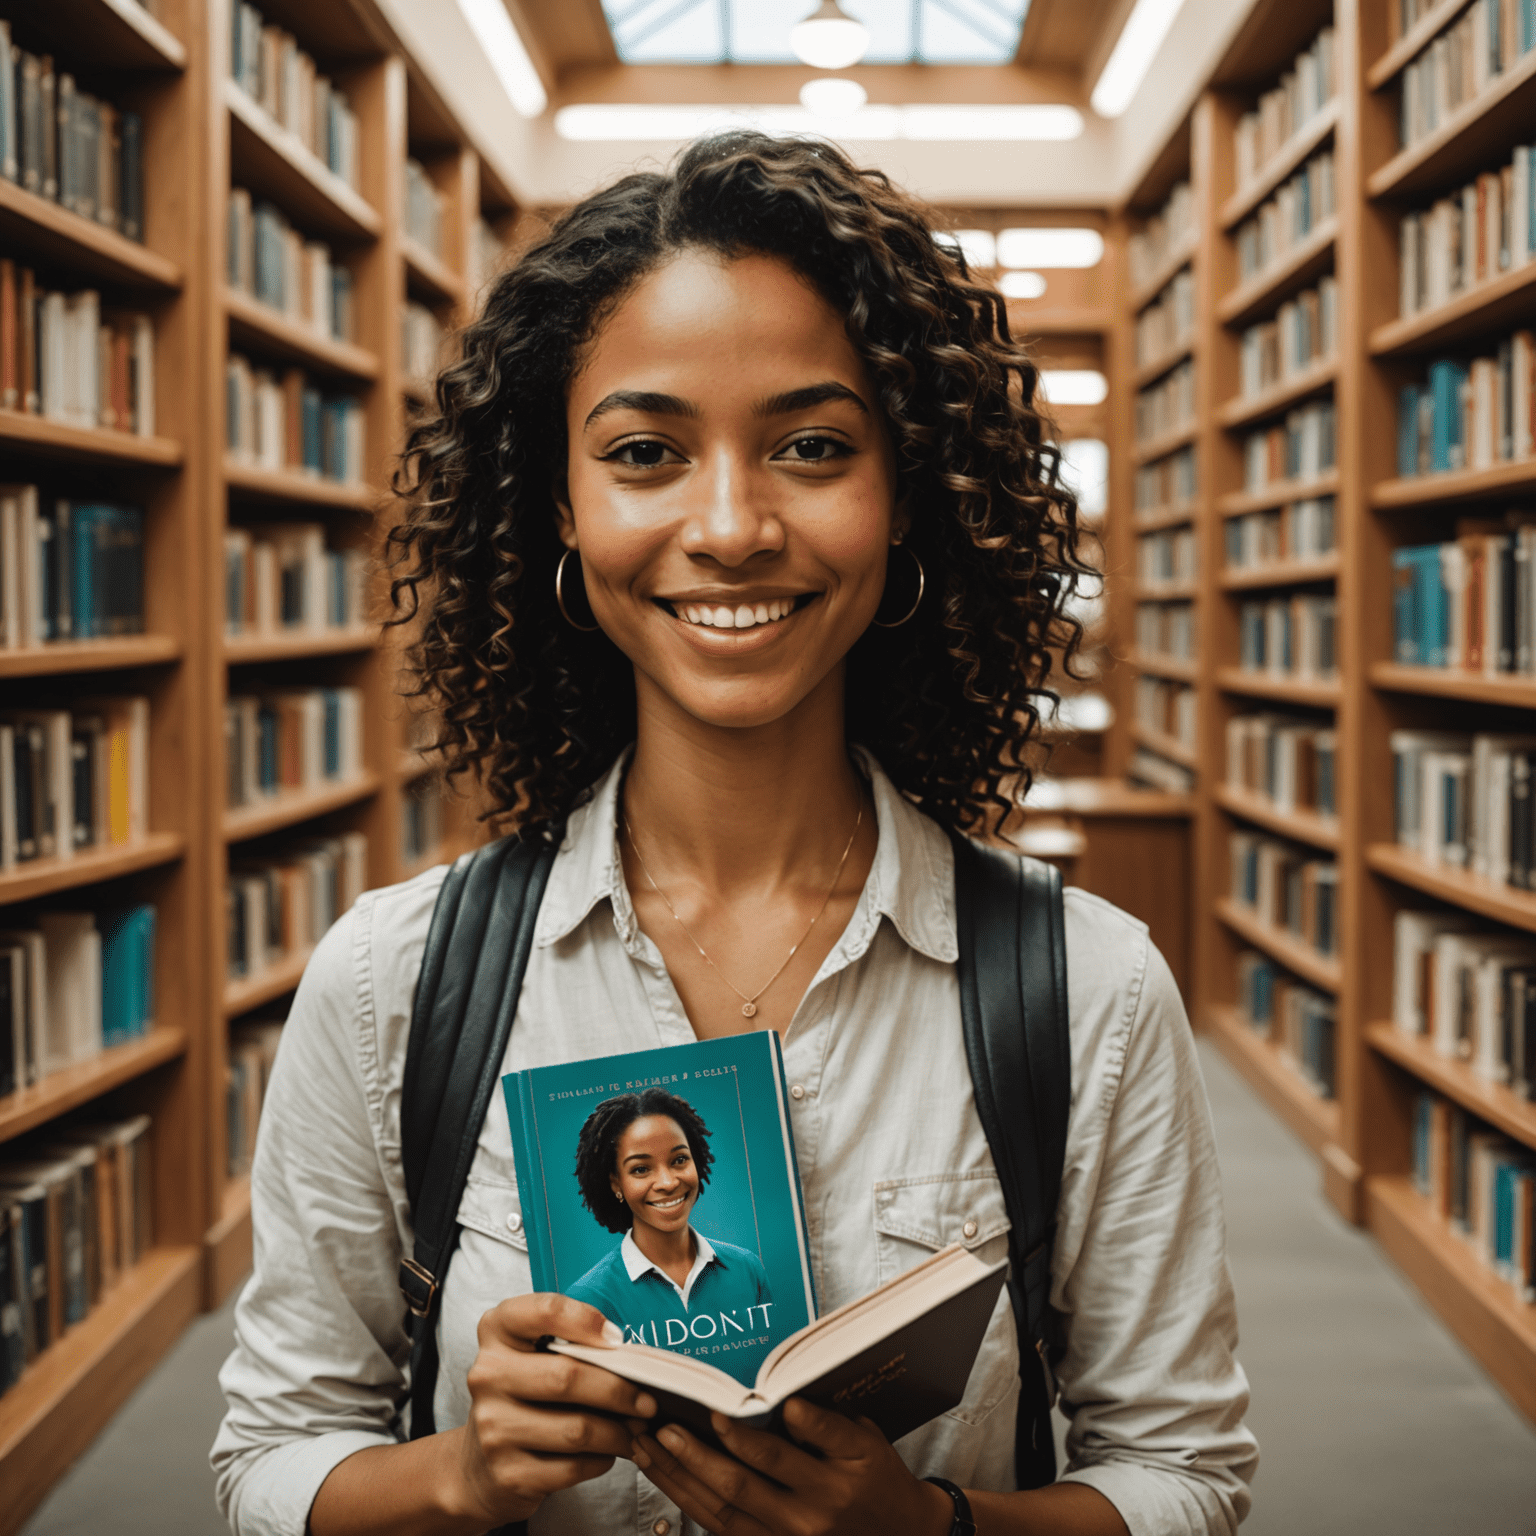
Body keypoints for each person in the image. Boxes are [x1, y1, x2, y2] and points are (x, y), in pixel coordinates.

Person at [213, 132, 1259, 1536]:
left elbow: (1187, 1477)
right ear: (562, 513)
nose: (731, 525)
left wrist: (930, 1530)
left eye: (812, 448)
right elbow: (267, 1461)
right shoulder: (392, 984)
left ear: (907, 502)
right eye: (645, 452)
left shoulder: (1087, 991)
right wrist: (459, 1474)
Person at [565, 1090, 776, 1355]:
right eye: (641, 1169)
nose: (668, 1183)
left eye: (679, 1160)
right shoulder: (587, 1301)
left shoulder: (747, 1269)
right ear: (615, 1182)